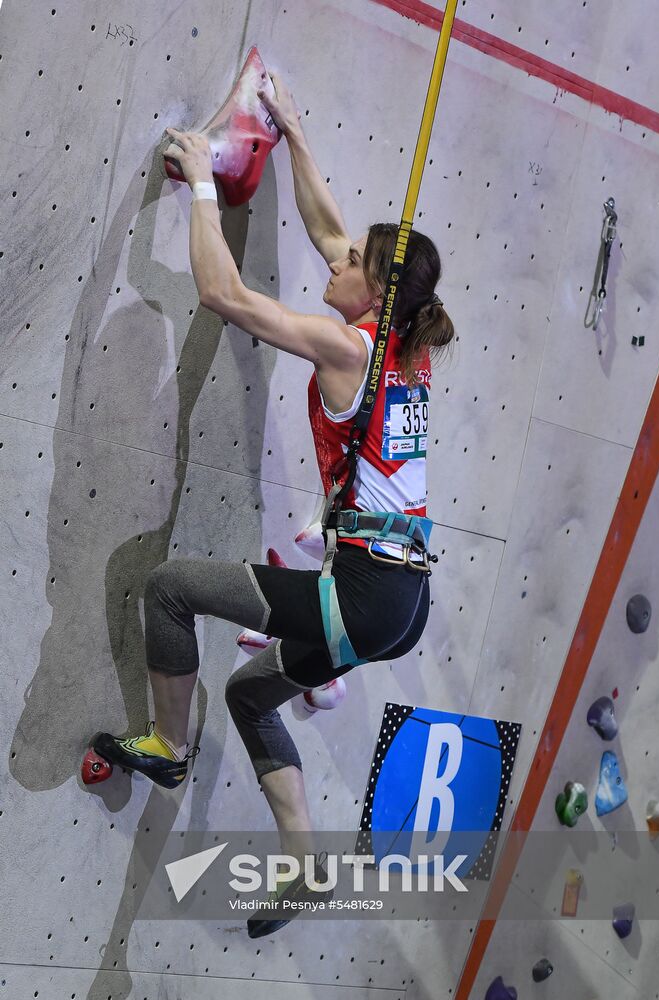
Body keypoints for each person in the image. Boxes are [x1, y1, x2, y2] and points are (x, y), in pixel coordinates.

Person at [90, 72, 455, 937]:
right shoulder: (403, 344)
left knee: (172, 588)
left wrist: (205, 187)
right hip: (399, 606)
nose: (337, 259)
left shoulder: (341, 343)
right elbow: (331, 226)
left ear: (372, 296)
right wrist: (293, 131)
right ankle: (303, 863)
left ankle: (169, 752)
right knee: (254, 694)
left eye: (354, 264)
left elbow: (225, 297)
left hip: (360, 594)